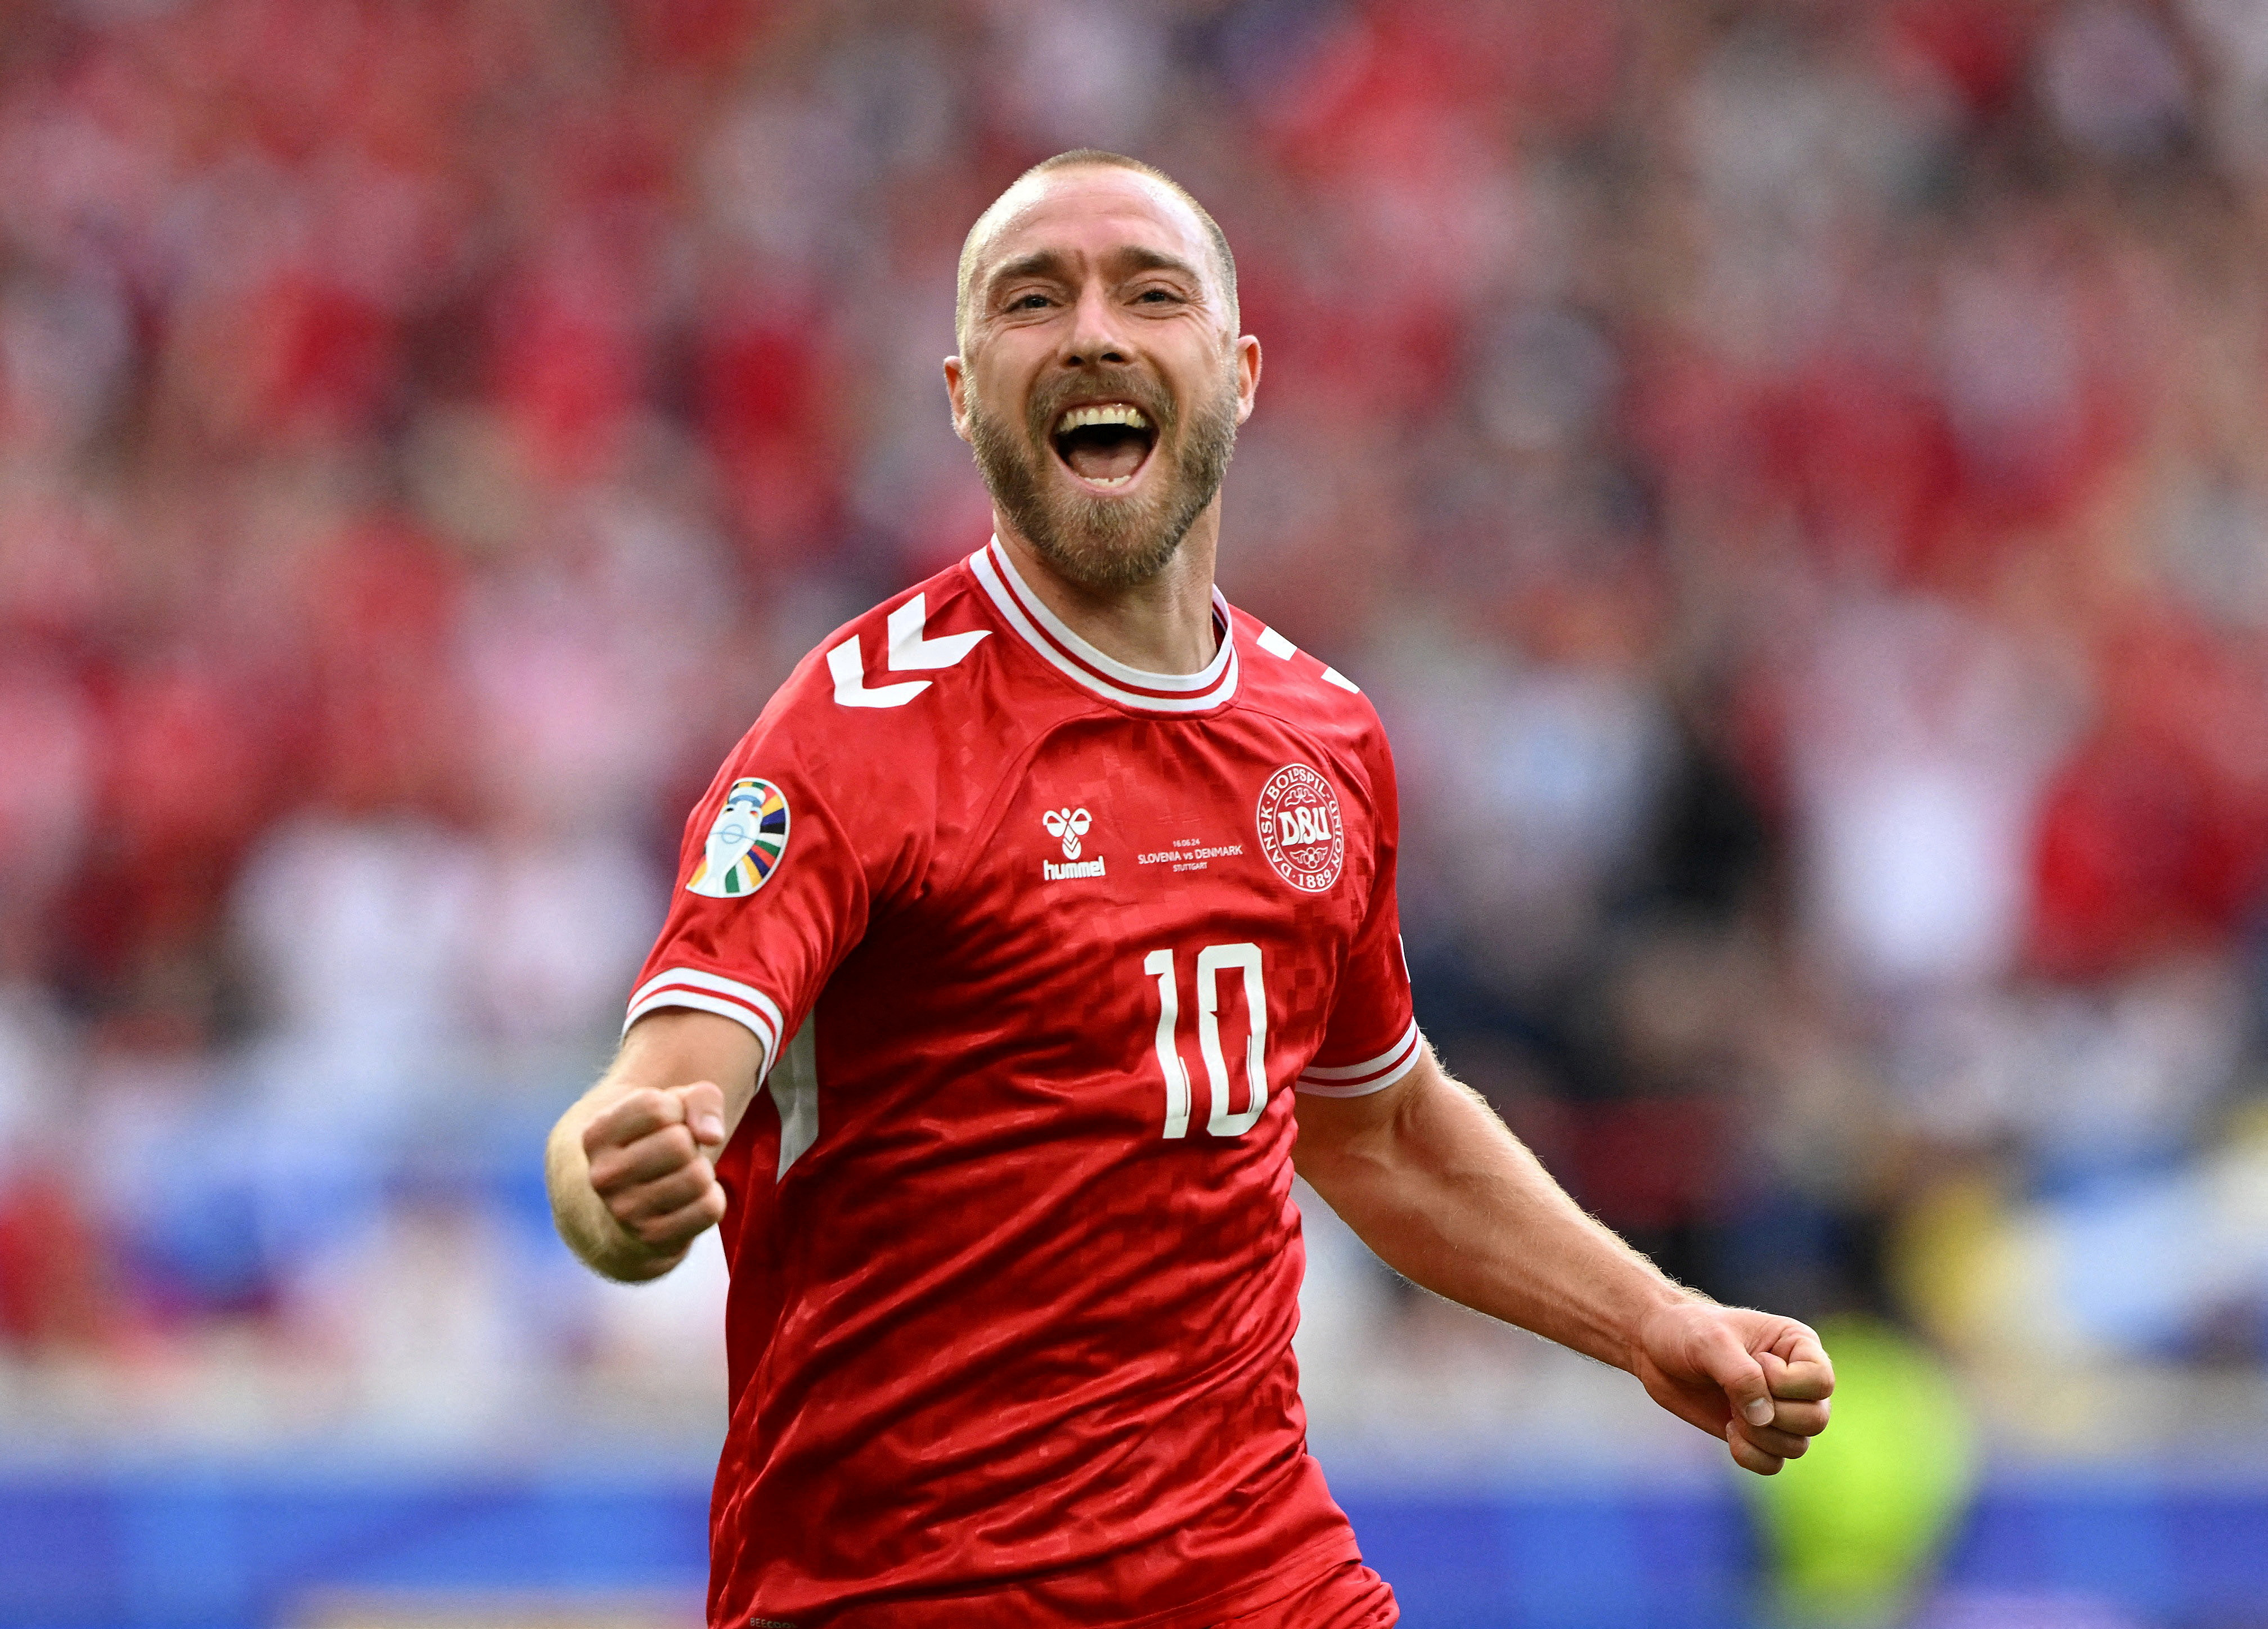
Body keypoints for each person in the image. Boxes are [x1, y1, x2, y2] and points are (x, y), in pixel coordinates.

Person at [545, 150, 1834, 1629]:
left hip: (1253, 1578)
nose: (1094, 331)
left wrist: (1653, 1318)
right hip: (902, 1591)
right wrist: (620, 1197)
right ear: (965, 395)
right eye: (1036, 299)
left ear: (1238, 372)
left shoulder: (1323, 739)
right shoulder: (854, 736)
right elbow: (642, 1113)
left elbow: (1384, 1130)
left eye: (1149, 293)